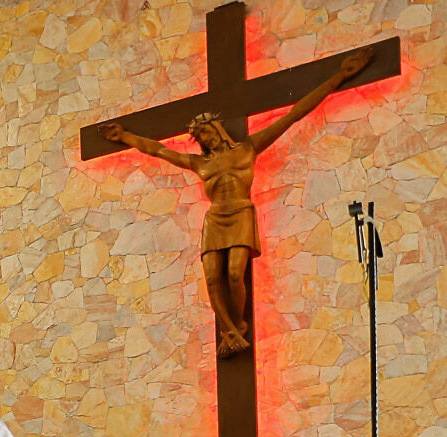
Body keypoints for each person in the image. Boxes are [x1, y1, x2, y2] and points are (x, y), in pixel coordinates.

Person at [101, 50, 370, 357]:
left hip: (241, 211)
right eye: (201, 136)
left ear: (217, 129)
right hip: (216, 218)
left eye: (208, 132)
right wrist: (125, 137)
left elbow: (293, 114)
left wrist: (339, 76)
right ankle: (229, 331)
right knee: (213, 278)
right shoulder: (198, 163)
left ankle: (238, 325)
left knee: (233, 274)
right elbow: (157, 150)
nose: (207, 139)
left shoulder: (247, 149)